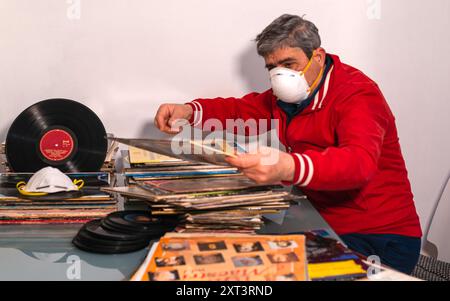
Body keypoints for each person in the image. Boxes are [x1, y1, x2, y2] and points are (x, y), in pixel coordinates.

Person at [154, 14, 422, 274]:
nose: (279, 75)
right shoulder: (289, 97)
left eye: (289, 63)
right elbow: (242, 108)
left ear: (317, 56)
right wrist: (190, 111)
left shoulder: (358, 94)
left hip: (378, 234)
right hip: (321, 217)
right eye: (272, 67)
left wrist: (288, 167)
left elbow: (358, 163)